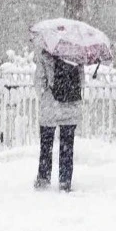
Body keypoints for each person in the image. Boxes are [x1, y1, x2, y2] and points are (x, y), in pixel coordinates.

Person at [36, 52, 83, 191]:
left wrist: (48, 94)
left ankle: (43, 178)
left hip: (50, 106)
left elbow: (39, 83)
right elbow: (82, 82)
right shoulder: (75, 55)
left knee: (46, 145)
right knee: (67, 146)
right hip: (70, 106)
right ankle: (65, 180)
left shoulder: (45, 55)